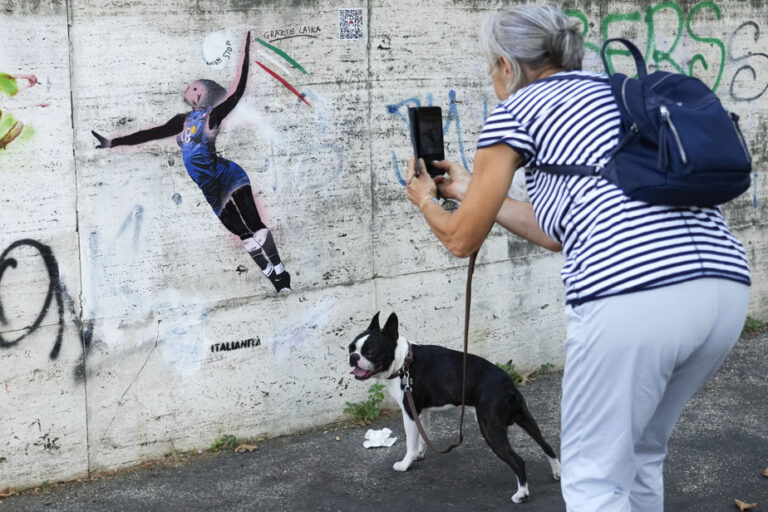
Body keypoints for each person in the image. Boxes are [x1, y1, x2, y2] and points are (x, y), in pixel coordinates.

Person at [404, 5, 750, 511]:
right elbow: (554, 233)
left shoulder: (516, 110)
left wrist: (427, 200)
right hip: (722, 290)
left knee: (591, 482)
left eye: (490, 64)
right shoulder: (614, 90)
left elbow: (460, 239)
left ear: (506, 63)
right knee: (640, 453)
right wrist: (469, 189)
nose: (491, 74)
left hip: (634, 298)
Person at [92, 32, 290, 293]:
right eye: (192, 87)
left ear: (204, 95)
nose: (192, 89)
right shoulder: (180, 121)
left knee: (254, 224)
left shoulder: (212, 115)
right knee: (242, 233)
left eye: (198, 87)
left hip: (227, 175)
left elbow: (237, 92)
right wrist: (113, 142)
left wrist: (245, 56)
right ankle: (272, 275)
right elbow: (148, 134)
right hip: (210, 188)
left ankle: (279, 270)